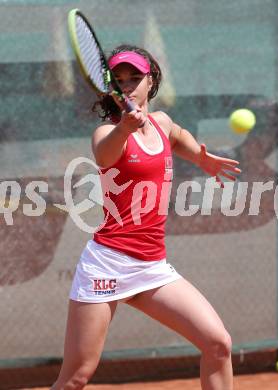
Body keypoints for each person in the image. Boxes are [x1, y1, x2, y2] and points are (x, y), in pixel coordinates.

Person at [52, 44, 241, 390]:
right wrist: (124, 128)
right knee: (76, 377)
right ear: (110, 88)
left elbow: (178, 136)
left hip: (151, 267)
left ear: (150, 81)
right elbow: (106, 157)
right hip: (106, 264)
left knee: (218, 344)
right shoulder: (107, 133)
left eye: (134, 78)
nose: (127, 86)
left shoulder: (162, 123)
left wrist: (202, 158)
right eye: (120, 80)